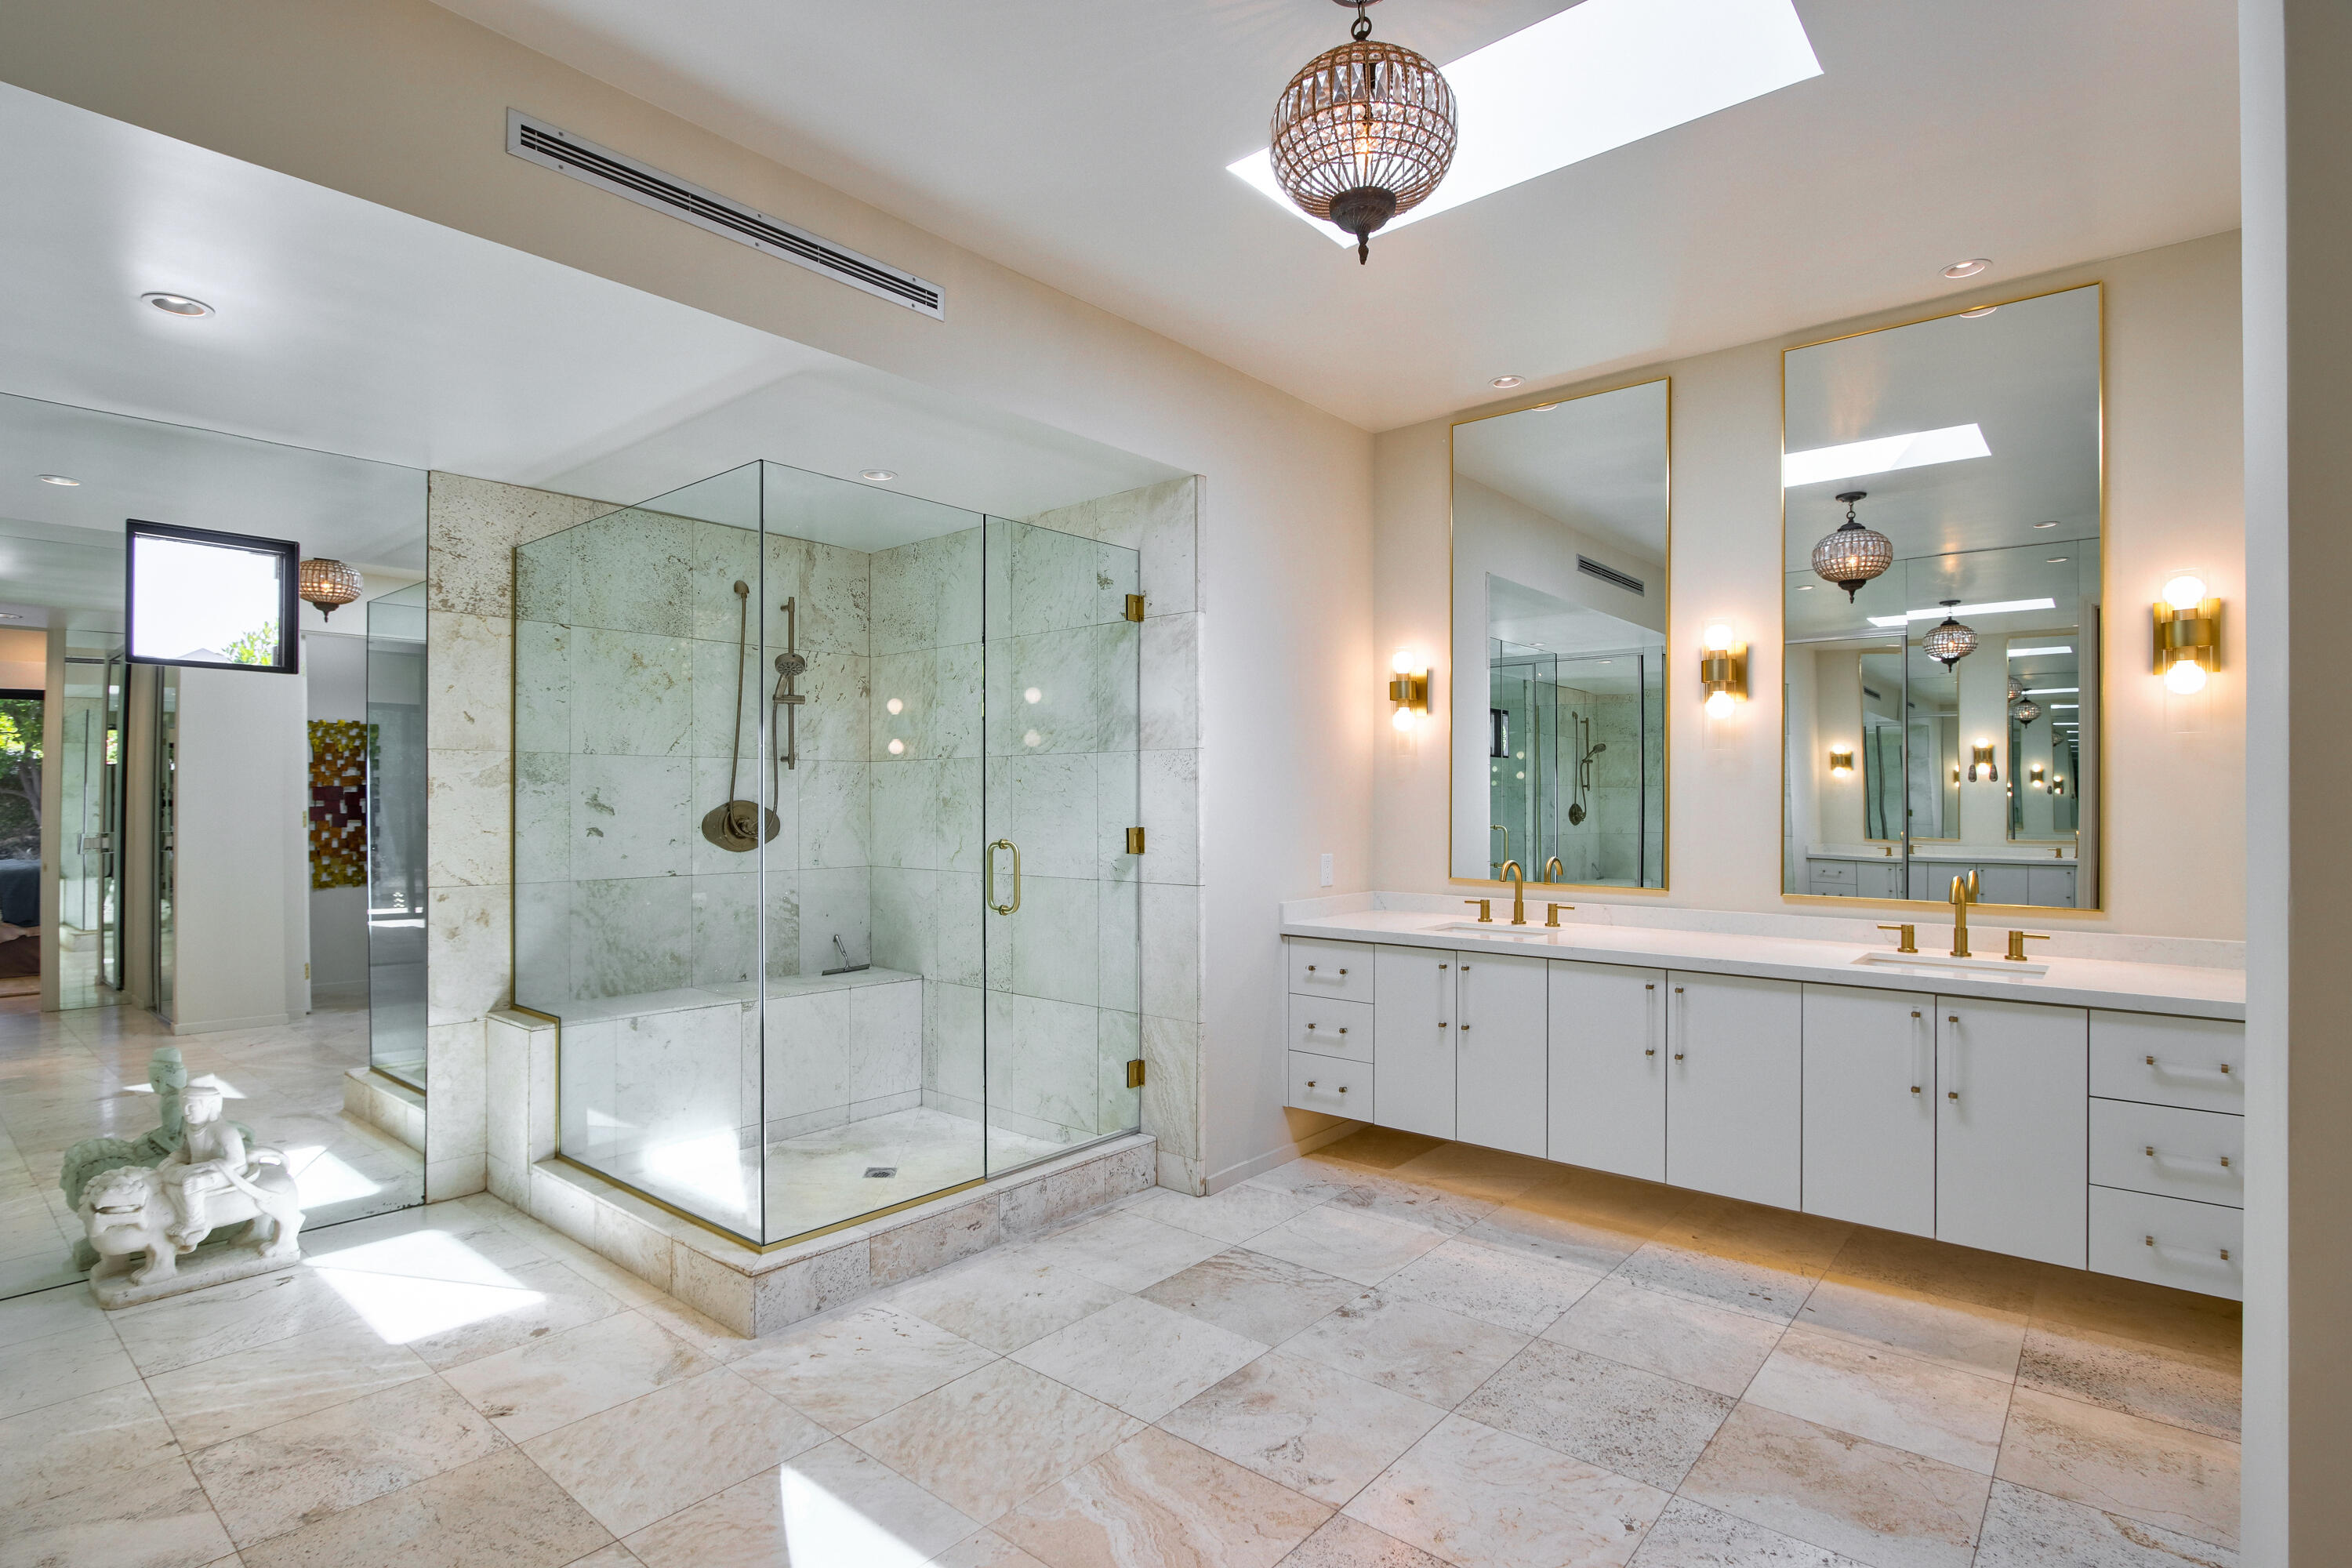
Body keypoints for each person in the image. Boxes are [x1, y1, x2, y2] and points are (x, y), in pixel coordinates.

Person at [157, 1080, 249, 1249]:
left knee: (193, 1183)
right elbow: (185, 1152)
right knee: (166, 1173)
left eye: (192, 1107)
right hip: (198, 1167)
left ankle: (196, 1223)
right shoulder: (190, 1128)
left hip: (226, 1171)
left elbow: (237, 1160)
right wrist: (172, 1159)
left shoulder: (224, 1130)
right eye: (184, 1106)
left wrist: (208, 1167)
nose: (186, 1111)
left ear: (211, 1106)